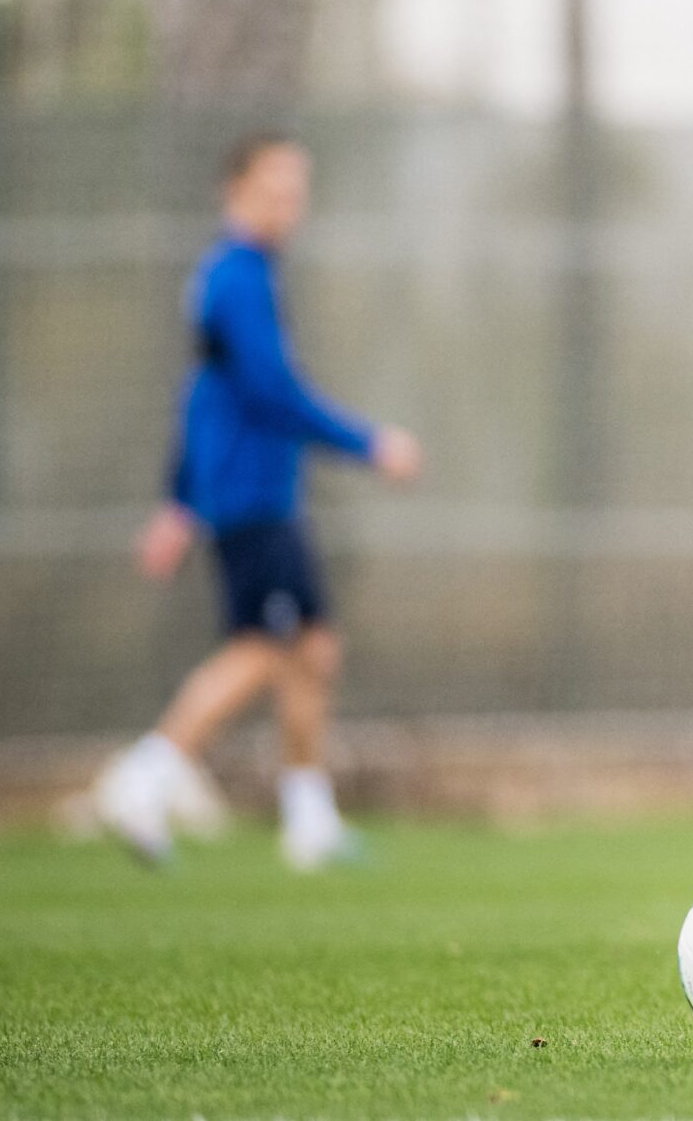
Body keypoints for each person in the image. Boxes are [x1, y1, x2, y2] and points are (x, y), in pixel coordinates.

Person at [94, 135, 421, 870]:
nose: (289, 204)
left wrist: (177, 501)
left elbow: (203, 396)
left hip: (256, 491)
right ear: (233, 189)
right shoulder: (236, 278)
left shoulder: (244, 276)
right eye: (273, 187)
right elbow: (270, 393)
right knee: (263, 647)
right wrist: (370, 442)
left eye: (297, 189)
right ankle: (142, 776)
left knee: (312, 646)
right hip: (250, 497)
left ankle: (309, 820)